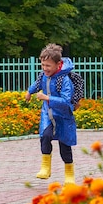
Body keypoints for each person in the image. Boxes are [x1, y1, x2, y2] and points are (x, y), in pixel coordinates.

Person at [25, 43, 77, 185]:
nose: (45, 68)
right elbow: (37, 84)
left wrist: (48, 98)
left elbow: (66, 101)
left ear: (58, 64)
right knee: (45, 136)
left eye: (48, 66)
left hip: (63, 116)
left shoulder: (64, 80)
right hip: (48, 114)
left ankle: (69, 175)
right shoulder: (44, 75)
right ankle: (45, 167)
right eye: (43, 65)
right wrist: (30, 92)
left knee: (65, 145)